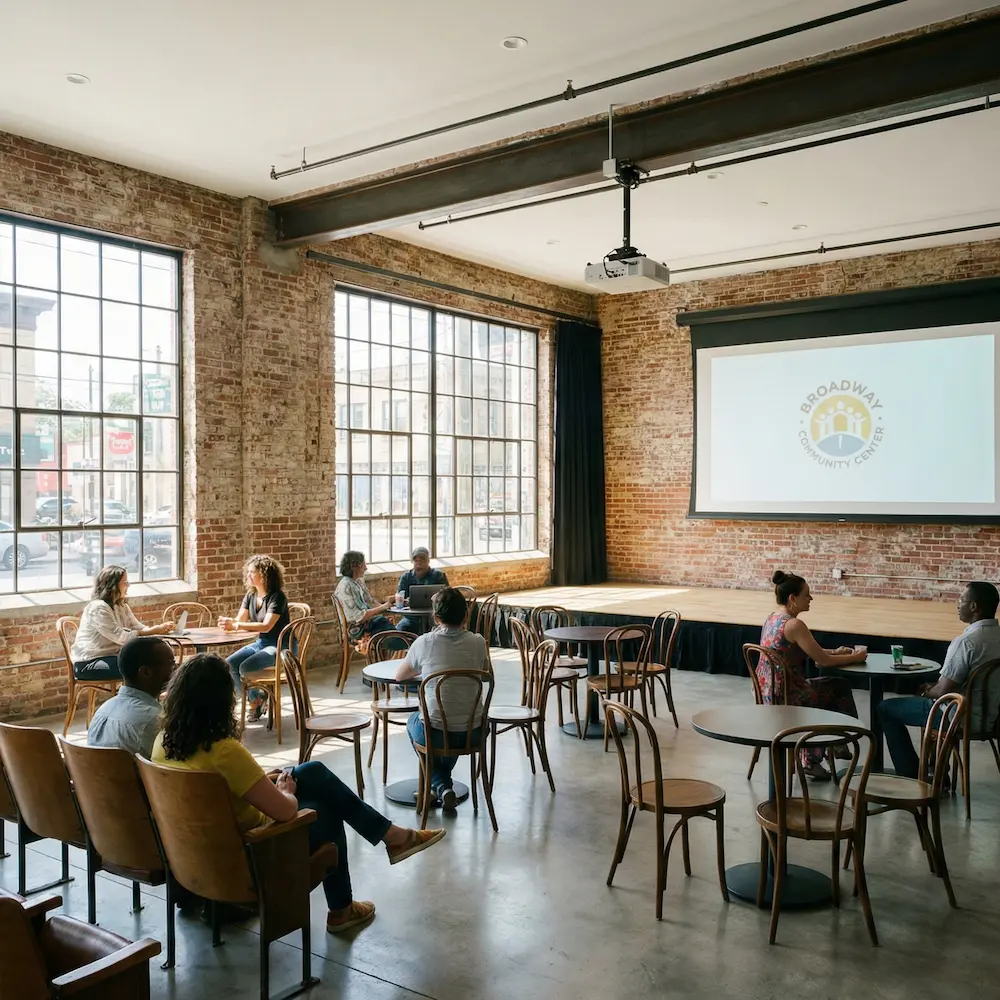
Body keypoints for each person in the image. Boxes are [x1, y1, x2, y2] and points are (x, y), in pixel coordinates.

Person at [151, 653, 445, 934]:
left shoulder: (163, 743)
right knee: (324, 809)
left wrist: (261, 781)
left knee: (311, 771)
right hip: (253, 855)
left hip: (198, 857)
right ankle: (345, 904)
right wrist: (284, 791)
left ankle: (391, 837)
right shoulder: (225, 752)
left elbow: (221, 787)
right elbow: (286, 811)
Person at [879, 581, 1000, 778]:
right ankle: (938, 776)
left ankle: (912, 775)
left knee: (885, 708)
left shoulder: (966, 642)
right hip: (993, 719)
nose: (958, 604)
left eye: (961, 600)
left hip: (958, 718)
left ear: (973, 606)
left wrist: (926, 691)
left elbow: (943, 690)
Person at [760, 570, 867, 781]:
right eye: (806, 594)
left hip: (769, 690)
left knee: (831, 686)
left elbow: (809, 651)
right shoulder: (794, 625)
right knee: (838, 688)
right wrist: (856, 657)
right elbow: (823, 661)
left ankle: (831, 747)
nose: (811, 598)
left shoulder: (773, 618)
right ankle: (826, 749)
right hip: (788, 695)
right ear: (792, 598)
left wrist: (836, 651)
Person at [395, 588, 488, 810]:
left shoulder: (425, 643)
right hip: (474, 731)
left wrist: (429, 670)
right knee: (449, 725)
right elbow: (486, 674)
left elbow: (400, 676)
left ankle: (438, 786)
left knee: (415, 722)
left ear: (436, 617)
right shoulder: (478, 642)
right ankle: (443, 787)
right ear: (466, 615)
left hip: (437, 734)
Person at [70, 565, 176, 681]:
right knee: (140, 668)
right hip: (89, 662)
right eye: (125, 582)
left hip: (111, 656)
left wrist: (158, 629)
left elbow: (137, 626)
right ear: (112, 585)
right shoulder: (98, 608)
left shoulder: (121, 606)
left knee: (156, 662)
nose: (128, 585)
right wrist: (152, 631)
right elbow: (121, 637)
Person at [221, 555, 290, 722]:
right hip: (261, 643)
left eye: (252, 572)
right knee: (229, 664)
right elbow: (241, 620)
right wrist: (229, 622)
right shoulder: (251, 595)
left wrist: (236, 625)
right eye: (249, 572)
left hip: (280, 645)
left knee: (245, 667)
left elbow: (267, 626)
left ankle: (254, 702)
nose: (248, 575)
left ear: (265, 575)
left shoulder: (277, 597)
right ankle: (257, 699)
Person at [87, 636, 175, 757]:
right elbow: (174, 763)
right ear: (145, 672)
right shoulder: (154, 719)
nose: (176, 669)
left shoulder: (102, 711)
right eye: (171, 663)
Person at [334, 551, 395, 647]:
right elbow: (359, 617)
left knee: (387, 625)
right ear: (354, 567)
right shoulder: (345, 587)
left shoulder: (358, 582)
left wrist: (388, 606)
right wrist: (383, 607)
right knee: (389, 631)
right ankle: (401, 648)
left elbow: (370, 602)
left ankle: (399, 648)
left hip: (366, 625)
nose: (366, 568)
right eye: (363, 565)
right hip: (356, 631)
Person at [395, 547, 449, 634]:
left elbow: (448, 596)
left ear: (428, 561)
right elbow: (400, 597)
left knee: (441, 631)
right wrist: (406, 601)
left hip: (434, 616)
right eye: (416, 561)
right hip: (411, 618)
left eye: (422, 560)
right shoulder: (406, 577)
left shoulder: (438, 575)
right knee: (398, 631)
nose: (418, 563)